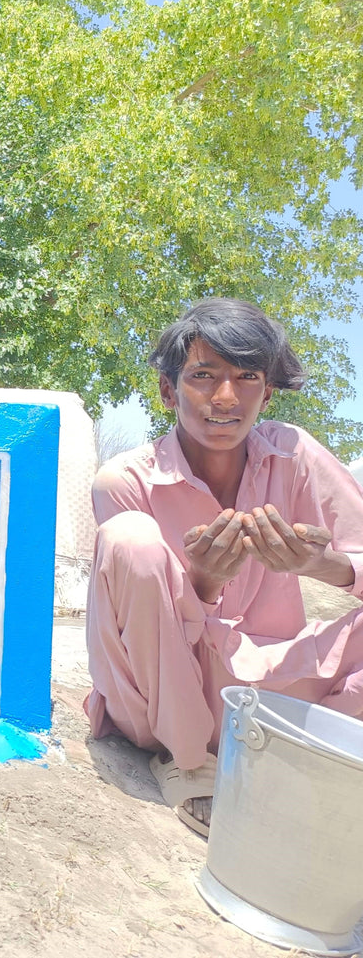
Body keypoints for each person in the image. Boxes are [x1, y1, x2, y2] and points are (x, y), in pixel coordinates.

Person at [85, 298, 363, 836]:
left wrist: (323, 565)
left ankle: (295, 749)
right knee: (130, 539)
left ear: (269, 391)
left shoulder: (293, 455)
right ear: (169, 391)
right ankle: (190, 764)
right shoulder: (126, 482)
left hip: (257, 691)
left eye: (248, 376)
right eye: (203, 376)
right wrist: (205, 582)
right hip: (158, 702)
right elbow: (140, 618)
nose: (226, 398)